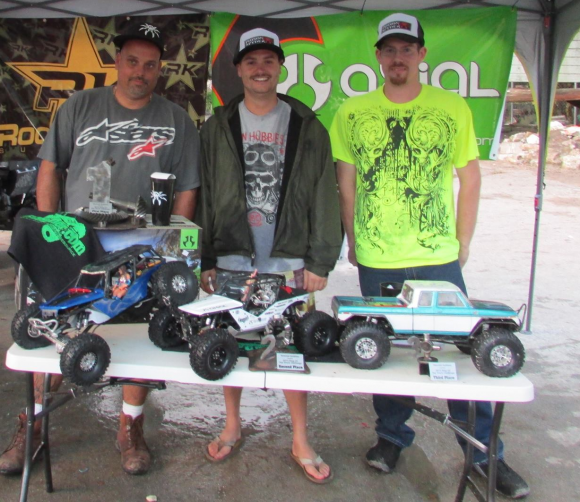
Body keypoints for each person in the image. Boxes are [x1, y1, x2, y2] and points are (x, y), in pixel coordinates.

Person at [330, 13, 530, 499]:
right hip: (379, 256)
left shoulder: (452, 108)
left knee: (466, 356)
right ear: (377, 56)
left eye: (406, 48)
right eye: (389, 49)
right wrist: (354, 242)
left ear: (422, 54)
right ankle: (391, 438)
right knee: (382, 351)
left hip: (439, 256)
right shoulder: (351, 112)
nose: (397, 57)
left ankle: (485, 454)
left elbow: (471, 178)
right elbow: (346, 183)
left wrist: (463, 242)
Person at [0, 22, 200, 476]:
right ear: (117, 63)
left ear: (159, 70)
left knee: (140, 338)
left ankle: (130, 427)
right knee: (50, 332)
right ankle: (32, 427)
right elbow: (50, 168)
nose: (140, 72)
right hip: (76, 245)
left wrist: (173, 244)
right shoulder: (81, 105)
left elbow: (187, 188)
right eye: (132, 61)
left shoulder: (176, 119)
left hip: (142, 250)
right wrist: (50, 231)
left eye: (151, 65)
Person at [197, 28, 341, 484]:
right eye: (251, 61)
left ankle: (300, 437)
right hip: (233, 258)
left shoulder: (307, 125)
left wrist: (319, 260)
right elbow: (201, 194)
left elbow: (325, 192)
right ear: (238, 69)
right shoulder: (216, 127)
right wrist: (205, 259)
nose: (261, 69)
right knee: (230, 345)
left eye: (269, 61)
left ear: (280, 68)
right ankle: (233, 425)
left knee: (292, 348)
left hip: (288, 262)